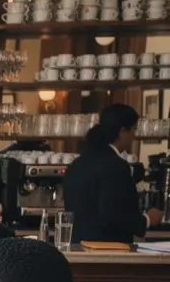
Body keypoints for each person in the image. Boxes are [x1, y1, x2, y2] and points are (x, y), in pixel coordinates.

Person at [64, 103, 161, 244]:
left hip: (77, 245)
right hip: (107, 249)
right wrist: (147, 220)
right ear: (122, 132)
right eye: (133, 129)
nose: (134, 136)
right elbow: (113, 215)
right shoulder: (116, 165)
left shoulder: (77, 163)